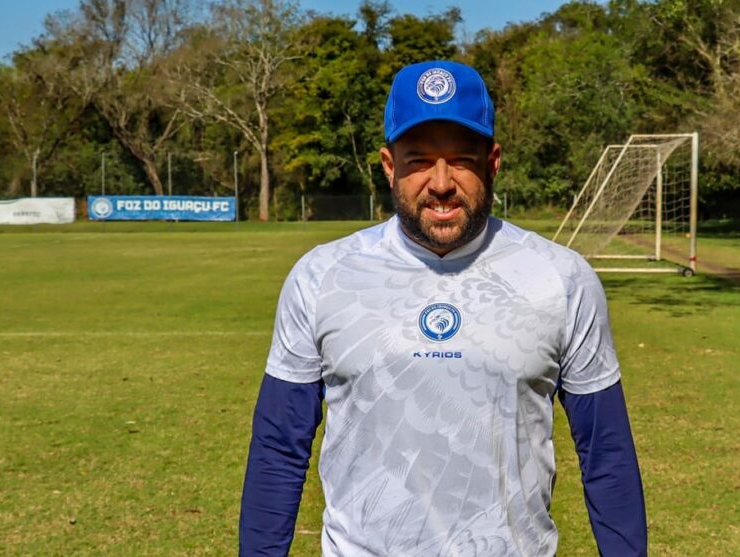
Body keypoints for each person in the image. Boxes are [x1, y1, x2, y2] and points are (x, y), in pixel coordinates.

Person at [240, 60, 647, 557]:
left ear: (492, 162)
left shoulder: (561, 278)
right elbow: (279, 447)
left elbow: (606, 452)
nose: (440, 182)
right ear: (389, 165)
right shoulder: (322, 276)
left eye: (460, 159)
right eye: (418, 160)